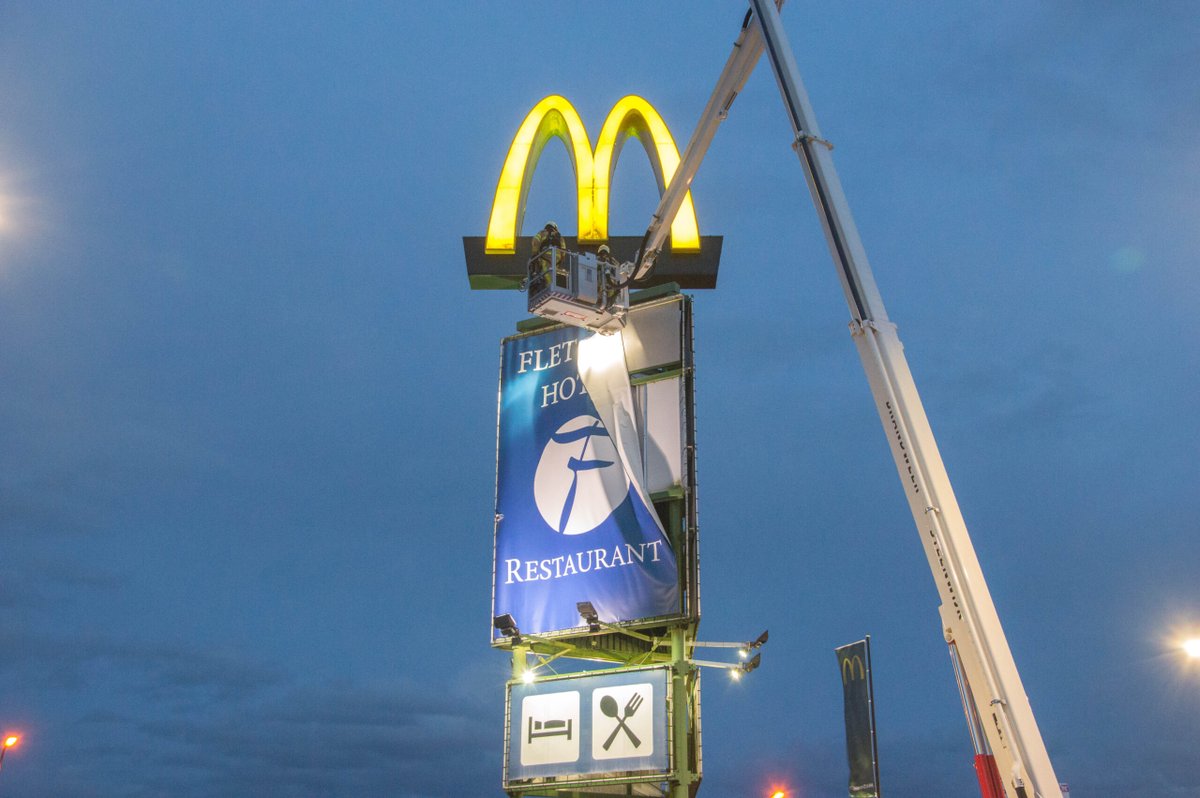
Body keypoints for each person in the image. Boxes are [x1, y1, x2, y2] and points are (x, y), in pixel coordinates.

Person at [529, 222, 563, 292]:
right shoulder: (559, 235)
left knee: (546, 272)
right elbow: (563, 248)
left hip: (545, 256)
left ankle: (550, 289)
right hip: (557, 258)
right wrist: (560, 259)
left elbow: (535, 242)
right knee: (553, 272)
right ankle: (553, 287)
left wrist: (535, 253)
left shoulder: (542, 233)